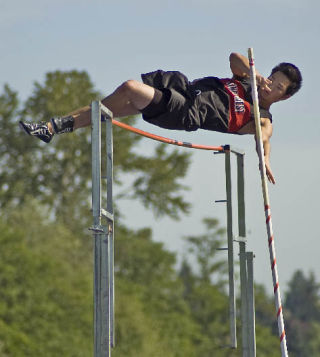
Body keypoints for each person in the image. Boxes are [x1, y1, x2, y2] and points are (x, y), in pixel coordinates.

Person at [19, 52, 302, 184]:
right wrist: (253, 75)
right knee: (122, 102)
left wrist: (264, 158)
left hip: (187, 111)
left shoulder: (262, 116)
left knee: (130, 89)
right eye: (271, 79)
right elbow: (234, 59)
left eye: (277, 88)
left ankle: (67, 123)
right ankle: (53, 127)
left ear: (283, 97)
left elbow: (264, 136)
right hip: (183, 88)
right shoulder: (247, 82)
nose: (269, 87)